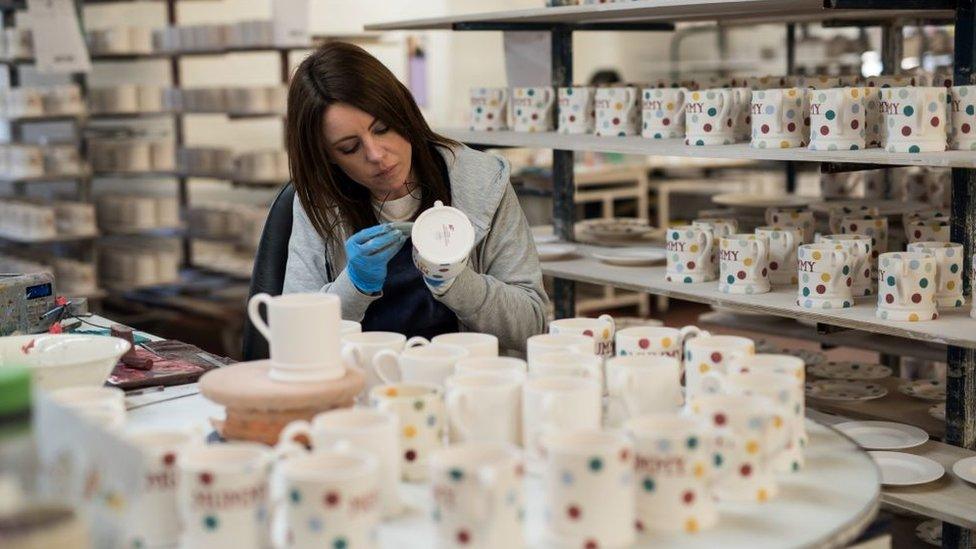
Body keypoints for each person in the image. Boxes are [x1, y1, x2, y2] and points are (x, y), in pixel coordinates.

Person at [282, 42, 548, 352]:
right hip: (365, 385)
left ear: (403, 112)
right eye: (349, 148)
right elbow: (295, 338)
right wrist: (353, 286)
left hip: (463, 383)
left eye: (382, 128)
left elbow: (531, 325)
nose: (376, 154)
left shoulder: (482, 183)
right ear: (328, 157)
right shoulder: (319, 203)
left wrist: (457, 282)